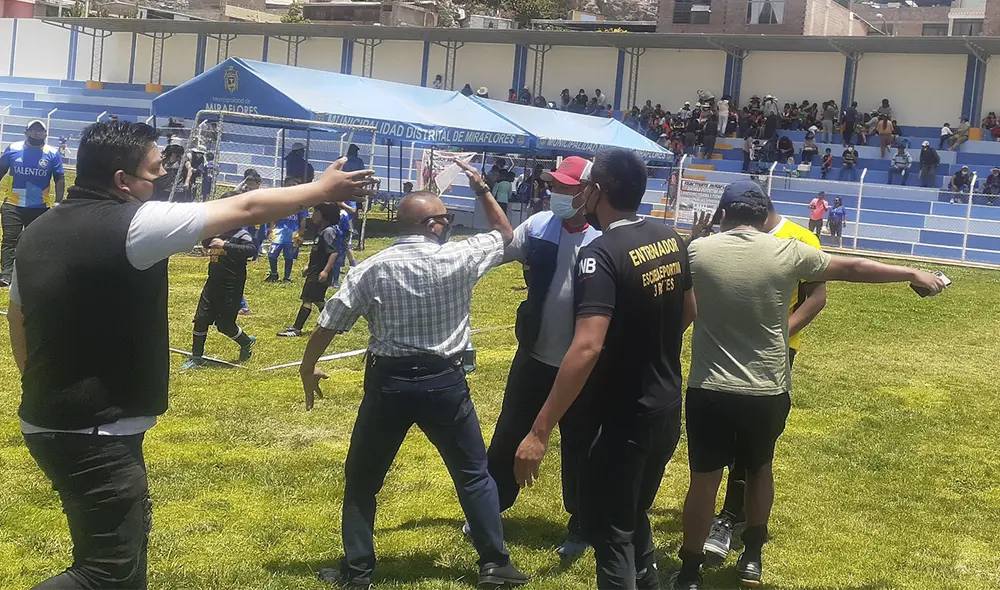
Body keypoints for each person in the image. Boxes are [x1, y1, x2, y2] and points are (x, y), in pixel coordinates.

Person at [5, 120, 374, 590]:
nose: (163, 178)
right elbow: (246, 205)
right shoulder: (134, 223)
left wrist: (44, 386)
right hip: (95, 431)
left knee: (127, 562)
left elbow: (19, 321)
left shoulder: (38, 231)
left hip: (49, 419)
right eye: (156, 170)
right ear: (123, 181)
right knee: (106, 573)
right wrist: (319, 188)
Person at [672, 181, 945, 590]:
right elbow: (853, 268)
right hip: (766, 388)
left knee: (704, 478)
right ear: (764, 218)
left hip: (709, 387)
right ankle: (752, 557)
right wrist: (912, 270)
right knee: (760, 469)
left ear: (722, 216)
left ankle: (690, 572)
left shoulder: (697, 251)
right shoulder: (788, 250)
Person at [298, 160, 529, 590]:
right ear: (433, 225)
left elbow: (329, 323)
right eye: (446, 218)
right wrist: (481, 190)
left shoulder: (371, 268)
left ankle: (359, 570)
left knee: (364, 479)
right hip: (446, 382)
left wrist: (307, 366)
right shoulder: (460, 256)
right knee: (473, 474)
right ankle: (495, 564)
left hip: (389, 384)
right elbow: (504, 234)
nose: (450, 224)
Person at [514, 148, 696, 590]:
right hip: (666, 405)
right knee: (632, 513)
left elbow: (587, 346)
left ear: (596, 191)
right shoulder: (669, 236)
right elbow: (688, 310)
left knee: (611, 535)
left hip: (623, 418)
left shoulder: (600, 253)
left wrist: (539, 430)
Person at [701, 182, 828, 567]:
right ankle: (731, 517)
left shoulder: (799, 238)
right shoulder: (726, 238)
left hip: (774, 352)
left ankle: (730, 517)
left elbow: (816, 296)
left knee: (754, 443)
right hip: (723, 350)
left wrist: (777, 335)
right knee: (717, 439)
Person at [484, 157, 602, 561]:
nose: (559, 194)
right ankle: (493, 507)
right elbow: (500, 250)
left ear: (590, 192)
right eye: (556, 186)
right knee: (508, 434)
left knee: (581, 446)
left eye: (569, 188)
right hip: (534, 355)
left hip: (582, 366)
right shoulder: (538, 226)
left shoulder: (603, 239)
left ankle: (582, 523)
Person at [180, 225, 257, 369]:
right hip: (212, 282)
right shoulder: (217, 232)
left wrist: (225, 245)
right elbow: (204, 242)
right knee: (201, 319)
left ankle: (246, 342)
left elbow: (252, 250)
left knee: (225, 326)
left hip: (231, 286)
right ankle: (196, 357)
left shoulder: (242, 234)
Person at [0, 120, 65, 288]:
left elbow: (59, 177)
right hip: (13, 205)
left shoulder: (52, 153)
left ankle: (31, 275)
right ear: (26, 131)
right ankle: (6, 275)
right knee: (9, 240)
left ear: (45, 133)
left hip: (40, 207)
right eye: (34, 129)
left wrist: (58, 201)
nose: (38, 133)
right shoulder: (13, 149)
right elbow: (1, 170)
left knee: (35, 242)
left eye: (41, 130)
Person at [276, 203, 345, 338]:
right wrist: (308, 265)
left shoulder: (329, 231)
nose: (312, 216)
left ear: (324, 216)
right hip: (315, 269)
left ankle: (296, 328)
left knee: (307, 299)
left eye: (316, 213)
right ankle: (335, 326)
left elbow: (333, 253)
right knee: (318, 300)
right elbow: (317, 251)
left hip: (320, 271)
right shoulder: (321, 229)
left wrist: (325, 271)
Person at [264, 178, 309, 283]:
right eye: (289, 184)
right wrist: (271, 229)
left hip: (292, 233)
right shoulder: (279, 200)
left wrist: (301, 234)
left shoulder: (301, 202)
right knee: (272, 254)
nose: (291, 187)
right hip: (278, 231)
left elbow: (302, 219)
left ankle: (287, 277)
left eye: (294, 185)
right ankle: (274, 274)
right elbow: (273, 215)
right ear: (284, 185)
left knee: (289, 256)